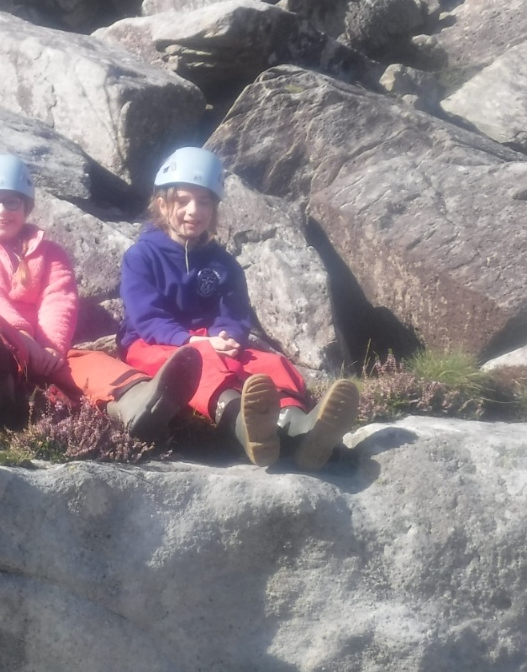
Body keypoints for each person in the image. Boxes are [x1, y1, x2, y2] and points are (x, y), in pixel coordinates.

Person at [119, 147, 360, 468]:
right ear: (162, 205)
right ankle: (243, 425)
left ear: (215, 207)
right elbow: (148, 318)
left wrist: (228, 338)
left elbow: (233, 315)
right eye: (183, 201)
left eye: (204, 202)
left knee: (271, 362)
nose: (194, 211)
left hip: (211, 341)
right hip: (152, 342)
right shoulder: (141, 257)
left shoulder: (223, 264)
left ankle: (300, 427)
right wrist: (195, 342)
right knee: (196, 363)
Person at [0, 153, 201, 435]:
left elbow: (59, 300)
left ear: (27, 207)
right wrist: (23, 339)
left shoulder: (51, 253)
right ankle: (0, 393)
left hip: (45, 350)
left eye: (12, 202)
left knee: (86, 362)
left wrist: (50, 348)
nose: (2, 210)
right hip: (2, 343)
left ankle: (137, 401)